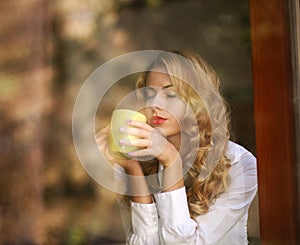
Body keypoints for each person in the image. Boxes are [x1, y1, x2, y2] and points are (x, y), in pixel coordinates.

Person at [96, 50, 258, 244]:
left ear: (198, 101)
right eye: (149, 93)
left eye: (171, 94)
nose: (155, 103)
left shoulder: (239, 165)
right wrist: (132, 168)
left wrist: (171, 158)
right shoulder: (135, 164)